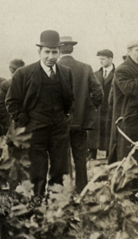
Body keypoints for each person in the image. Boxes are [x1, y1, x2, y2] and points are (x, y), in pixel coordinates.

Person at [6, 31, 75, 197]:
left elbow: (70, 99)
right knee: (37, 170)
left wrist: (66, 119)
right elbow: (12, 102)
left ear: (59, 52)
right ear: (39, 52)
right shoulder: (23, 73)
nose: (51, 57)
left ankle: (56, 202)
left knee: (59, 169)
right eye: (47, 52)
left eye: (54, 52)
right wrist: (25, 122)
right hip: (35, 130)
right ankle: (36, 202)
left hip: (59, 130)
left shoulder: (66, 72)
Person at [57, 36, 103, 191]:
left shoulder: (53, 68)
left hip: (59, 122)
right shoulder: (85, 68)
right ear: (72, 49)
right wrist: (87, 109)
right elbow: (98, 93)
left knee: (61, 157)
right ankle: (81, 188)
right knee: (80, 156)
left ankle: (64, 189)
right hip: (80, 122)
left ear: (59, 49)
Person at [88, 50, 115, 159]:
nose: (100, 61)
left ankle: (110, 157)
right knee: (94, 133)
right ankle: (92, 156)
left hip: (111, 109)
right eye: (99, 59)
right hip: (97, 110)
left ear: (110, 59)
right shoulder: (95, 74)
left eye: (103, 59)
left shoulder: (117, 74)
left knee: (109, 133)